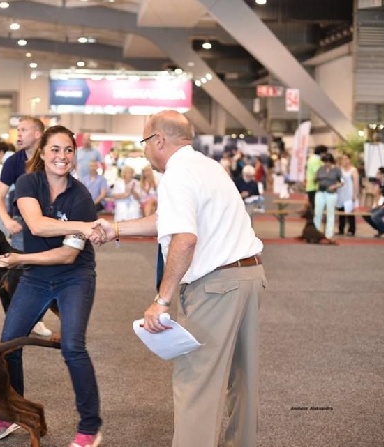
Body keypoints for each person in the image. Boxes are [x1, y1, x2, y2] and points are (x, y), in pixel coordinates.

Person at [92, 110, 266, 447]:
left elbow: (184, 239)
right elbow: (168, 219)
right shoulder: (207, 166)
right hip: (249, 277)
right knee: (242, 380)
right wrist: (115, 228)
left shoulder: (176, 175)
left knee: (196, 383)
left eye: (144, 142)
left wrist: (162, 301)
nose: (144, 151)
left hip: (218, 286)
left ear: (159, 140)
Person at [0, 125, 102, 447]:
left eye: (68, 150)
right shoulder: (27, 182)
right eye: (55, 149)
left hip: (74, 276)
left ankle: (89, 428)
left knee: (73, 347)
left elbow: (67, 255)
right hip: (36, 276)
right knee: (8, 345)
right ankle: (11, 413)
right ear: (42, 152)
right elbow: (36, 225)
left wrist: (21, 260)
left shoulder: (81, 197)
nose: (61, 156)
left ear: (74, 155)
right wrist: (86, 227)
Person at [0, 116, 51, 337]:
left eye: (23, 130)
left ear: (37, 134)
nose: (18, 134)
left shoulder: (50, 158)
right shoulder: (13, 162)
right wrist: (7, 220)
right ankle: (20, 320)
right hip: (19, 225)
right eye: (17, 130)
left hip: (47, 224)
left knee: (45, 273)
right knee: (19, 275)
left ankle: (38, 318)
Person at [313, 153, 343, 241]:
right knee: (317, 212)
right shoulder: (320, 169)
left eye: (328, 162)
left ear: (332, 162)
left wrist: (334, 186)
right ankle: (316, 232)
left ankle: (329, 234)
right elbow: (315, 179)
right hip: (320, 192)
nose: (326, 164)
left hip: (331, 193)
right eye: (325, 162)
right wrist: (315, 179)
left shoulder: (337, 170)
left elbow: (341, 182)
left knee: (330, 213)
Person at [335, 153, 360, 236]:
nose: (344, 161)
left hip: (349, 192)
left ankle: (351, 230)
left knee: (349, 212)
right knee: (341, 211)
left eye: (346, 159)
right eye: (342, 159)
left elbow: (356, 183)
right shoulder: (339, 169)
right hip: (340, 192)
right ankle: (341, 229)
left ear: (349, 160)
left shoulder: (353, 170)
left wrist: (355, 194)